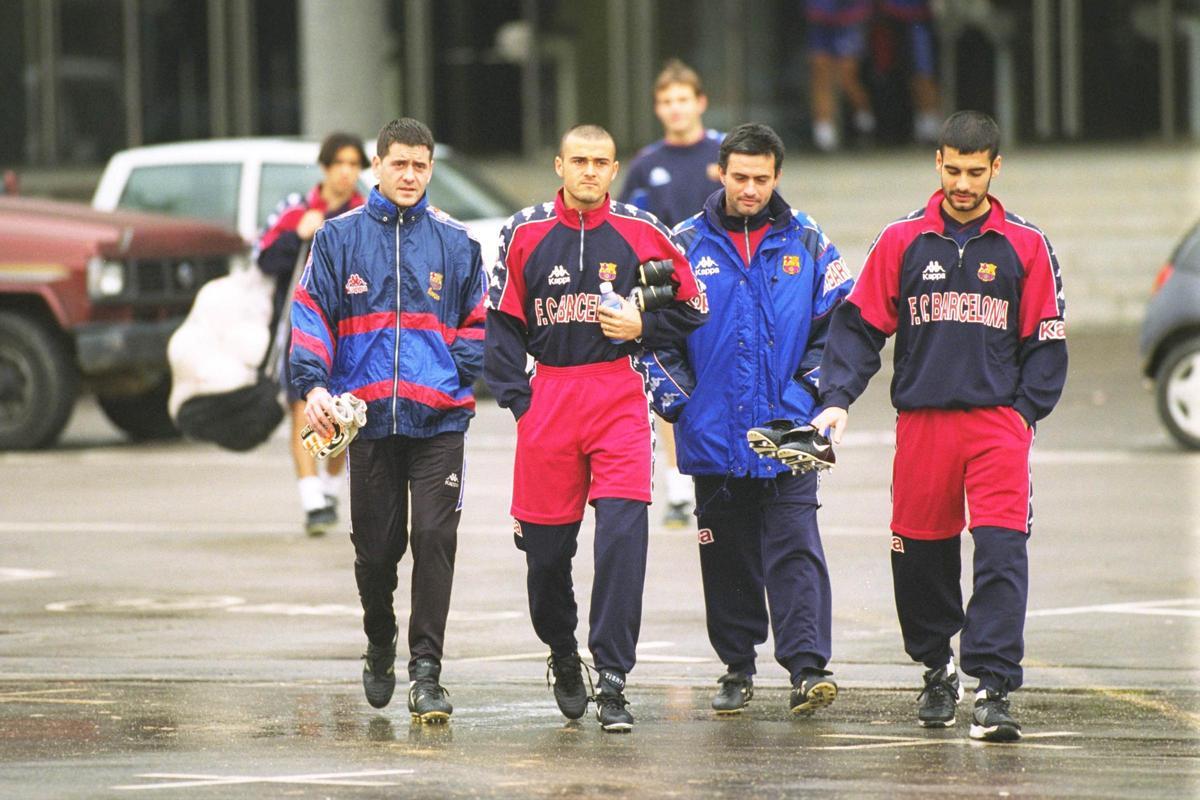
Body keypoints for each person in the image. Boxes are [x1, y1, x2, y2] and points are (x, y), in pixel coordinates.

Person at [812, 111, 1067, 742]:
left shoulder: (1026, 245)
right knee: (919, 554)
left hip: (996, 425)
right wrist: (838, 397)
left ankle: (994, 688)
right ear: (938, 163)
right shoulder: (901, 241)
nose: (962, 183)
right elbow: (860, 326)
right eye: (952, 170)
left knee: (1002, 552)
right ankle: (936, 668)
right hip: (923, 424)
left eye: (974, 172)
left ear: (996, 169)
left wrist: (1024, 413)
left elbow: (1047, 339)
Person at [484, 124, 706, 732]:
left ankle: (613, 678)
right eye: (578, 160)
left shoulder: (642, 231)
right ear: (559, 164)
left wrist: (643, 329)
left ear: (615, 170)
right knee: (546, 557)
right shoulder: (524, 231)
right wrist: (519, 401)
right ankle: (562, 650)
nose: (589, 171)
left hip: (616, 396)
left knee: (621, 540)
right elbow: (498, 325)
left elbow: (692, 306)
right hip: (548, 397)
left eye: (600, 162)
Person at [290, 118, 487, 723]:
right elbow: (311, 313)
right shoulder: (336, 238)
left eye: (420, 166)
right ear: (378, 166)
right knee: (376, 553)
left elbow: (478, 321)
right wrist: (317, 385)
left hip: (439, 423)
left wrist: (452, 376)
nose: (409, 175)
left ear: (431, 169)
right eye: (398, 163)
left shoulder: (457, 243)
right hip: (368, 425)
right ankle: (381, 638)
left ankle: (427, 673)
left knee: (434, 538)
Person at [668, 123, 853, 717]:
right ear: (720, 172)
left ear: (778, 177)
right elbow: (652, 337)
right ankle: (736, 667)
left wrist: (808, 400)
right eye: (739, 176)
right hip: (712, 431)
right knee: (725, 554)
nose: (750, 189)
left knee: (796, 545)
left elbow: (840, 329)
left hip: (791, 432)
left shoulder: (810, 240)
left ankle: (808, 669)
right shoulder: (683, 244)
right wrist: (682, 402)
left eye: (762, 178)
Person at [617, 59, 724, 529]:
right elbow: (625, 228)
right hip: (666, 293)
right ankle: (680, 490)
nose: (675, 109)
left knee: (723, 376)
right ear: (658, 108)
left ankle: (725, 473)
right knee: (672, 383)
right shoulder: (646, 164)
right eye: (666, 101)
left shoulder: (725, 153)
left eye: (683, 99)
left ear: (700, 102)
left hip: (722, 286)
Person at [256, 132, 368, 536]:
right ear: (324, 167)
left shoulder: (367, 213)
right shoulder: (296, 209)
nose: (347, 172)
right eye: (339, 163)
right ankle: (312, 501)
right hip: (302, 327)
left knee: (346, 414)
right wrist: (297, 234)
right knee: (303, 408)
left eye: (354, 164)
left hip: (353, 332)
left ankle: (329, 488)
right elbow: (264, 260)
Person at [804, 0, 876, 151]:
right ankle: (823, 134)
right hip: (820, 16)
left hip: (850, 17)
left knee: (846, 76)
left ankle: (865, 120)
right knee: (820, 72)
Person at [877, 0, 942, 144]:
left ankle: (931, 123)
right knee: (908, 74)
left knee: (923, 71)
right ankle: (922, 124)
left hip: (919, 19)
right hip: (894, 16)